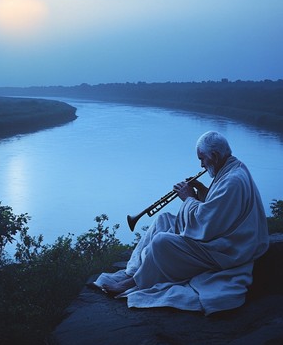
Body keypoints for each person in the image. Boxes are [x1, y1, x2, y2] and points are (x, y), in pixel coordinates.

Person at [95, 131, 269, 313]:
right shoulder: (230, 168)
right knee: (163, 219)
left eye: (202, 158)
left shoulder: (233, 181)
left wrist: (188, 199)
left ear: (215, 156)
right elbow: (218, 208)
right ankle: (134, 271)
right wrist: (202, 190)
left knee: (162, 242)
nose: (201, 164)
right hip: (220, 236)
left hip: (226, 250)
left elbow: (207, 224)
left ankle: (136, 282)